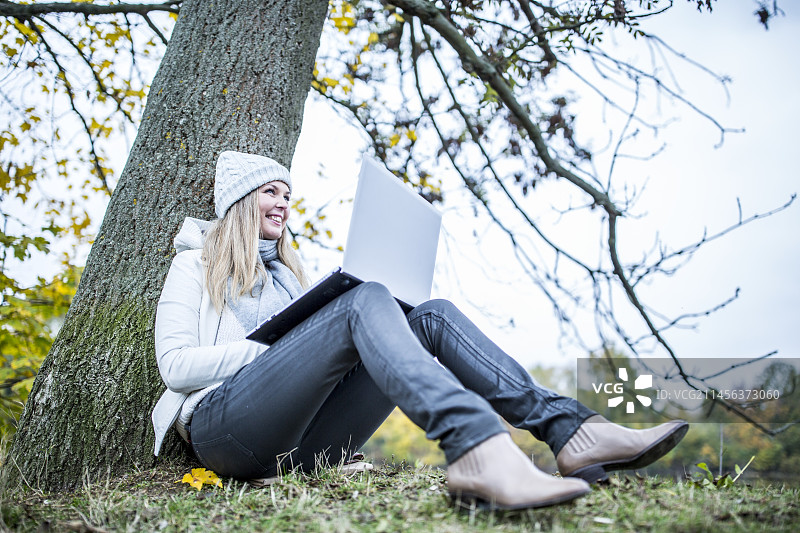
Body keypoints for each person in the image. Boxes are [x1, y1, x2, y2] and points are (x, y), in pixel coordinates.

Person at [151, 150, 688, 510]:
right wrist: (266, 353)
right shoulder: (194, 266)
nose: (283, 204)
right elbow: (173, 367)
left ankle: (571, 431)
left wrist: (302, 346)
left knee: (429, 313)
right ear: (242, 203)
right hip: (226, 432)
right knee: (362, 299)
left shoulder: (291, 276)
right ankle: (475, 444)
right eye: (270, 192)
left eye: (287, 195)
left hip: (303, 446)